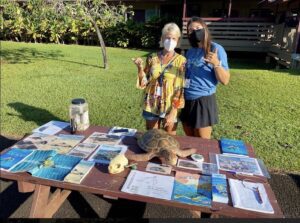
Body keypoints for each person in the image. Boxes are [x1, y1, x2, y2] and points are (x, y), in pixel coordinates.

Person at [179, 17, 230, 139]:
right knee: (190, 138)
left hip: (203, 100)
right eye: (190, 30)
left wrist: (216, 63)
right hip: (186, 99)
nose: (194, 32)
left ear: (205, 29)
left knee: (202, 142)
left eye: (197, 28)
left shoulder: (215, 49)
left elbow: (225, 80)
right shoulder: (191, 51)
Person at [132, 23, 186, 135]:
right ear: (162, 38)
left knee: (170, 139)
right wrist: (140, 68)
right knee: (152, 137)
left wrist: (174, 111)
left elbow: (180, 88)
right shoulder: (152, 57)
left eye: (173, 38)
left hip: (170, 104)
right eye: (167, 38)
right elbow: (144, 83)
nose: (170, 41)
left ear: (178, 40)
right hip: (151, 102)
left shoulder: (181, 61)